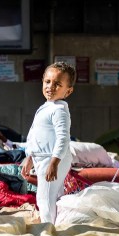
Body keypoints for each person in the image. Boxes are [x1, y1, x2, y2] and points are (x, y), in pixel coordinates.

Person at [20, 61, 75, 224]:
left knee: (44, 197)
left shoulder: (59, 111)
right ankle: (56, 224)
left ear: (68, 91)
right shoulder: (46, 107)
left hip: (52, 159)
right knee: (53, 195)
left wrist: (54, 162)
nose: (50, 86)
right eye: (47, 82)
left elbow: (63, 138)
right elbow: (33, 133)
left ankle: (47, 228)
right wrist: (29, 156)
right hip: (42, 158)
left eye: (58, 84)